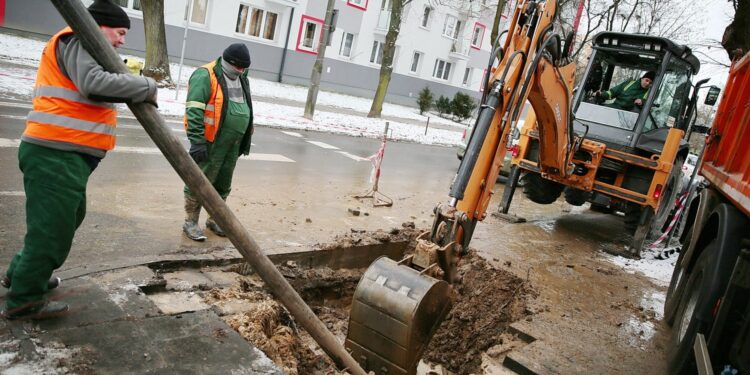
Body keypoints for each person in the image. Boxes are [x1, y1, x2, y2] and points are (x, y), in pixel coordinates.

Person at [1, 0, 157, 320]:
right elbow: (93, 84)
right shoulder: (79, 39)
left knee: (64, 221)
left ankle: (23, 274)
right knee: (52, 230)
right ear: (99, 26)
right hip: (55, 152)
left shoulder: (80, 43)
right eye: (120, 32)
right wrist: (145, 86)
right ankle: (25, 299)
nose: (122, 40)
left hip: (63, 153)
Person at [182, 43, 254, 241]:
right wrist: (197, 141)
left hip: (232, 143)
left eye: (244, 68)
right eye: (237, 66)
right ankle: (190, 221)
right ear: (228, 61)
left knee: (223, 183)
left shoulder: (242, 78)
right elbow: (194, 109)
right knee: (200, 182)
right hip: (210, 142)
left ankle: (215, 219)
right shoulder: (205, 75)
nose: (240, 71)